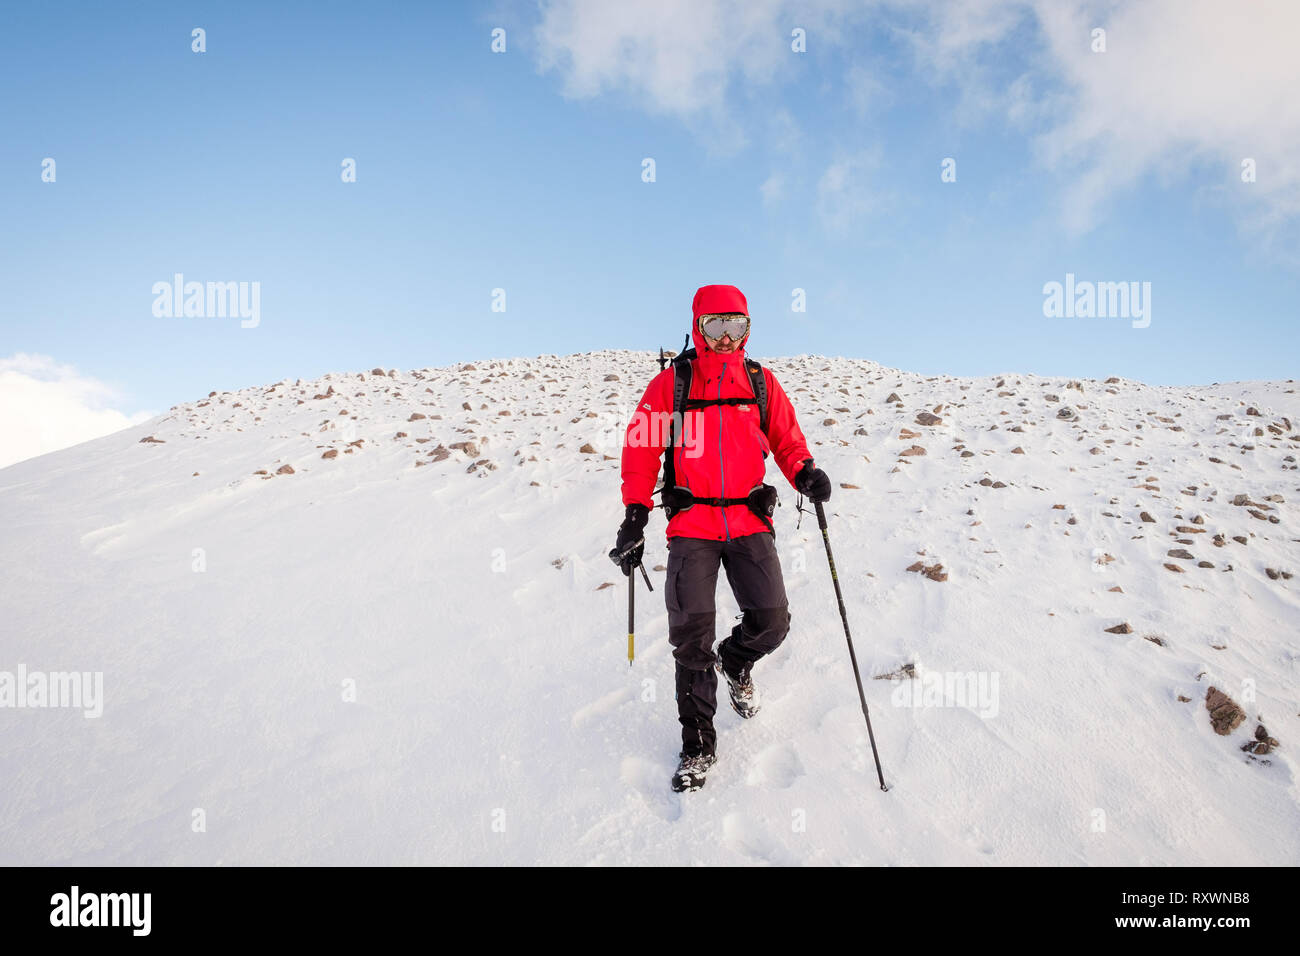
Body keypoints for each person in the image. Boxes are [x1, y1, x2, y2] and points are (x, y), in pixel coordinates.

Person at [611, 284, 832, 792]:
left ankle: (736, 662)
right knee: (692, 641)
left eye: (738, 326)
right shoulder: (673, 384)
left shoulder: (760, 382)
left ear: (748, 329)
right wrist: (634, 514)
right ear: (698, 327)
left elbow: (786, 439)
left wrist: (804, 472)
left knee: (772, 622)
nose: (728, 337)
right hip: (692, 527)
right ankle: (698, 745)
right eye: (717, 326)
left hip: (750, 521)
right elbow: (640, 450)